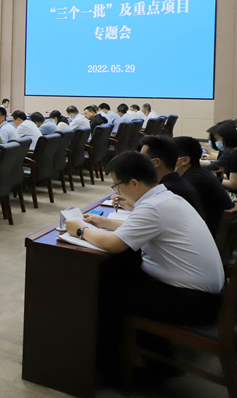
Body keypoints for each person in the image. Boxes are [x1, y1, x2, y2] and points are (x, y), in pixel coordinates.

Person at [64, 152, 223, 374]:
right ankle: (156, 359)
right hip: (202, 297)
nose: (118, 191)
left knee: (105, 294)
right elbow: (139, 229)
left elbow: (113, 245)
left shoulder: (153, 207)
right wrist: (102, 222)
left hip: (190, 302)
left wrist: (81, 230)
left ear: (134, 183)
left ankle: (110, 369)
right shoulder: (167, 198)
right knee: (120, 274)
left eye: (117, 185)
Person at [174, 136, 234, 236]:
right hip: (211, 231)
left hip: (207, 234)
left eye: (167, 156)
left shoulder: (191, 181)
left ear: (185, 160)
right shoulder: (198, 173)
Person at [139, 135, 206, 223]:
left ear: (156, 162)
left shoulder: (169, 190)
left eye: (142, 158)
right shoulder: (177, 182)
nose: (138, 162)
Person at [216, 123, 237, 192]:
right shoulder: (232, 153)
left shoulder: (234, 156)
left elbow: (234, 184)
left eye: (218, 139)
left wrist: (214, 178)